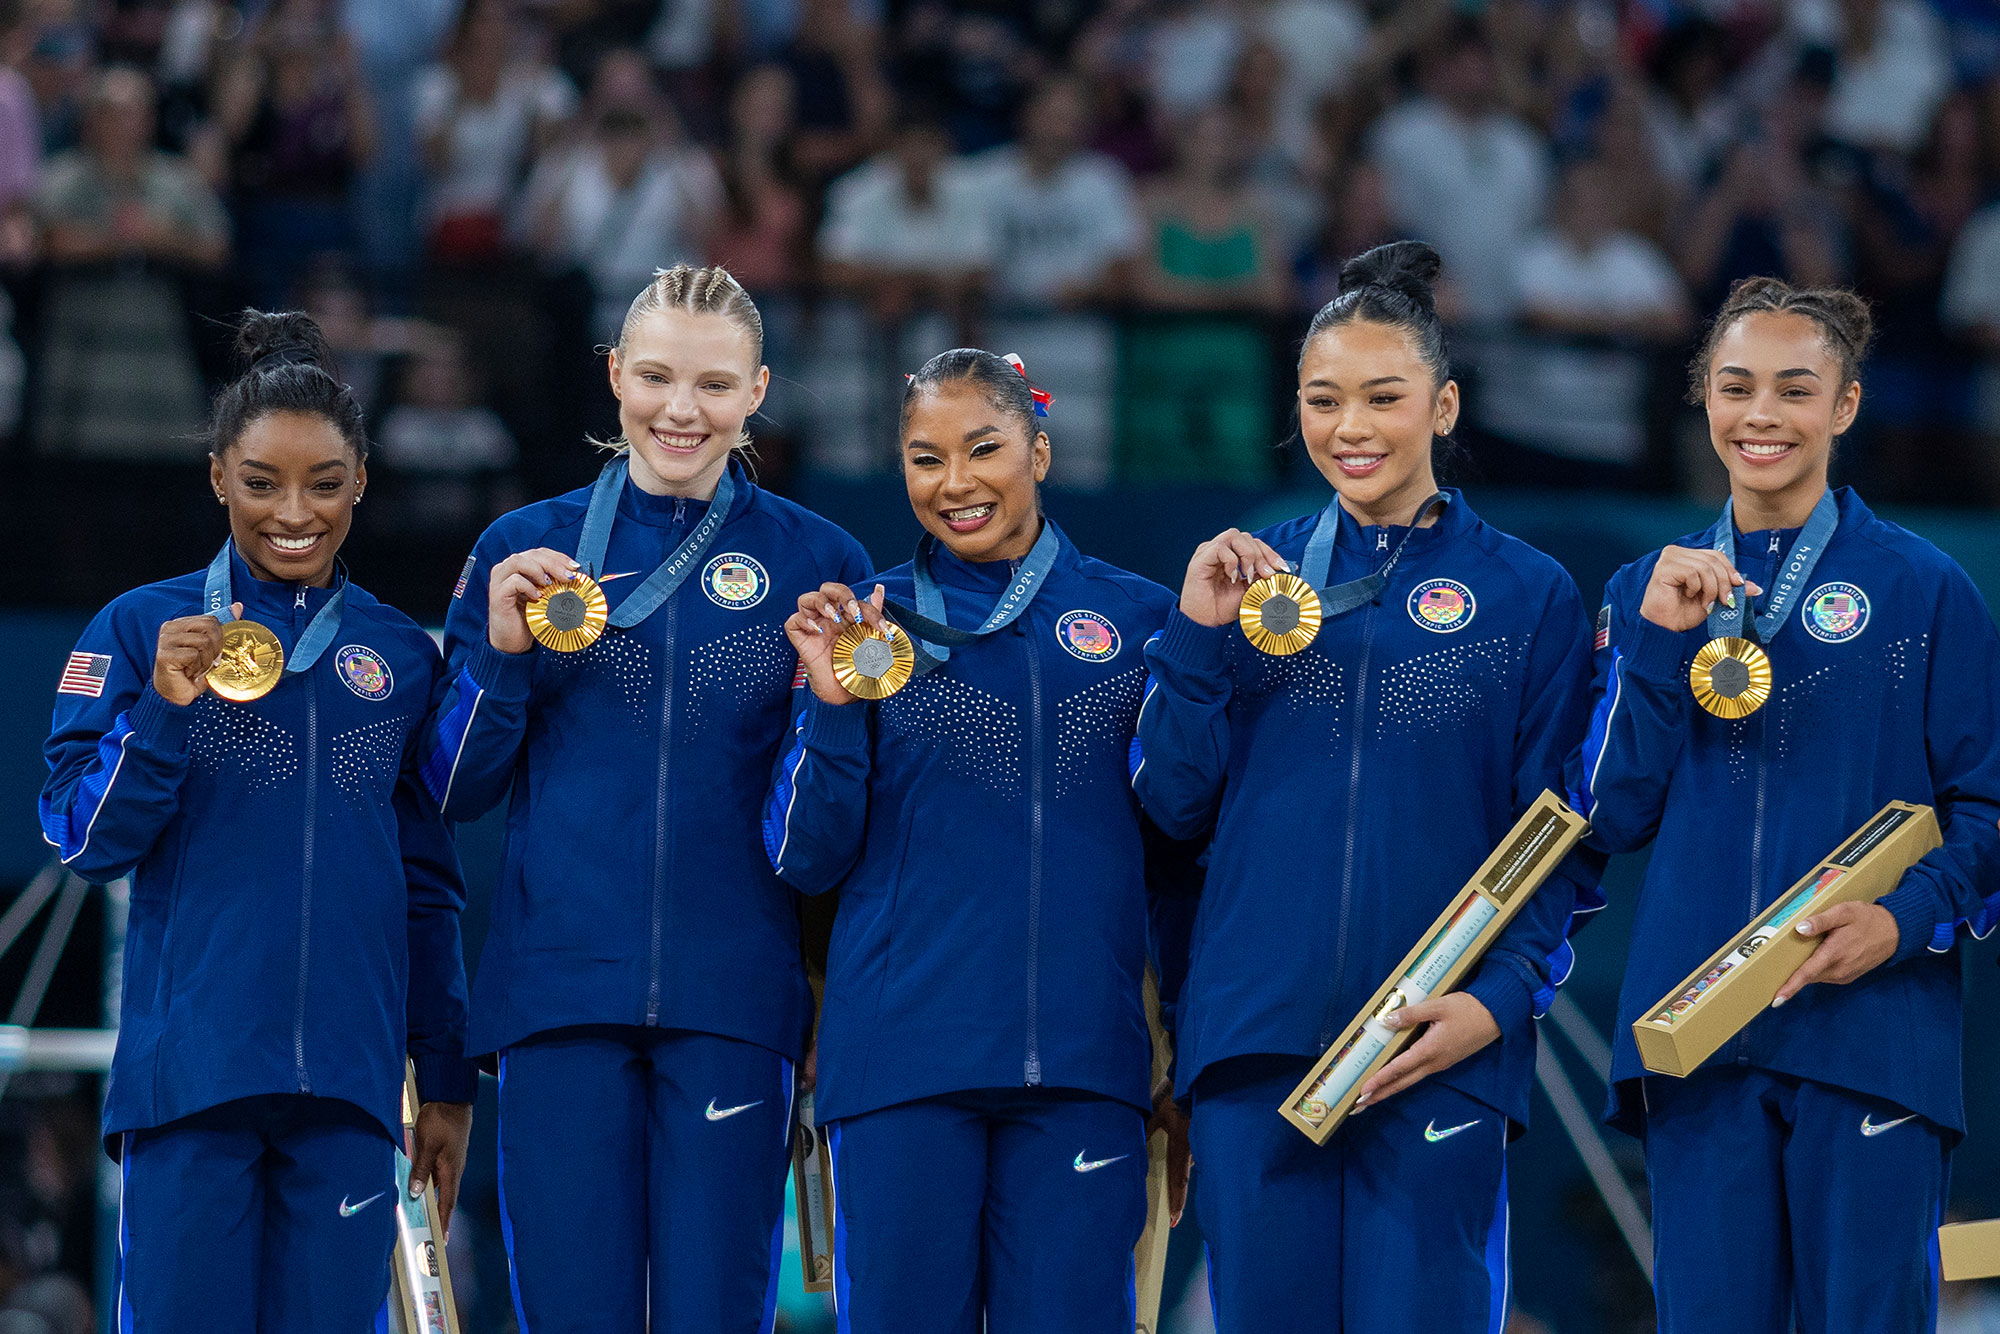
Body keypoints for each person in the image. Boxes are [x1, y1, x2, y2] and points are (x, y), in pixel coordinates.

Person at [1132, 241, 1599, 1331]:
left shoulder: (1527, 594)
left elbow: (1557, 840)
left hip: (1436, 1043)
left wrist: (1495, 1000)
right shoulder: (1241, 581)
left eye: (1382, 397)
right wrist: (1196, 637)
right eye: (1322, 398)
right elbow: (1169, 805)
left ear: (1442, 405)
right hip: (1257, 1045)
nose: (1349, 426)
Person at [421, 264, 871, 1332]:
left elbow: (827, 837)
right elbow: (453, 784)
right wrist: (497, 656)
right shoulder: (519, 549)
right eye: (657, 376)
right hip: (558, 994)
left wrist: (837, 701)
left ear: (757, 388)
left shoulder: (819, 560)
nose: (681, 409)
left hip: (733, 995)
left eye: (713, 384)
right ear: (615, 373)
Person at [38, 310, 476, 1332]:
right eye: (261, 480)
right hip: (190, 1082)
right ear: (216, 476)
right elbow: (83, 838)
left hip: (351, 1089)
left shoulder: (401, 655)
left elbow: (427, 882)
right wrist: (161, 711)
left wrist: (446, 1074)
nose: (294, 511)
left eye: (324, 483)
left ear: (361, 479)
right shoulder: (140, 627)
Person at [1578, 277, 2000, 1334]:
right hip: (1696, 1042)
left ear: (1843, 406)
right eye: (1734, 386)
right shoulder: (1645, 587)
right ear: (1702, 400)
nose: (1759, 413)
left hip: (1868, 1032)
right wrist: (1658, 648)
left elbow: (1988, 808)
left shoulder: (1921, 587)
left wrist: (1902, 917)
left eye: (1792, 388)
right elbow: (1609, 810)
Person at [765, 348, 1191, 1333]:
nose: (954, 482)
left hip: (1083, 1066)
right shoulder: (861, 622)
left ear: (1038, 450)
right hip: (901, 1064)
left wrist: (1187, 1047)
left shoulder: (1136, 619)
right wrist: (829, 707)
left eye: (982, 447)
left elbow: (1177, 858)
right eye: (923, 458)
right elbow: (804, 855)